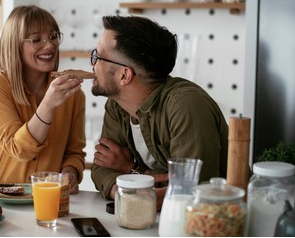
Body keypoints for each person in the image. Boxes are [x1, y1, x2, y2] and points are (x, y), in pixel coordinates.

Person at [90, 15, 228, 209]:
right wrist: (138, 186)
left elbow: (187, 191)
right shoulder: (116, 105)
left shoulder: (186, 105)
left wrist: (132, 171)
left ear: (124, 75)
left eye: (97, 57)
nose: (92, 64)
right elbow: (101, 169)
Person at [0, 5, 86, 193]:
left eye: (53, 37)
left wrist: (70, 173)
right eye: (36, 40)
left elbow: (73, 153)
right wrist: (48, 104)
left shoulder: (73, 94)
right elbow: (19, 149)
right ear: (14, 45)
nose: (49, 45)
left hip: (47, 196)